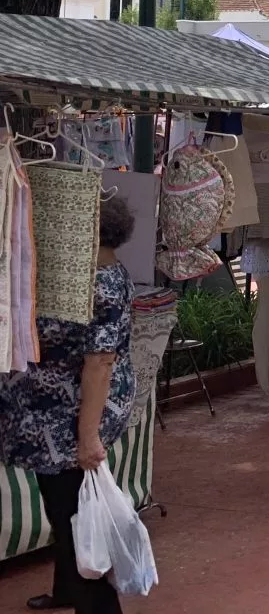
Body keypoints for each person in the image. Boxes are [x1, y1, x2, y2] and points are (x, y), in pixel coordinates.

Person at [1, 196, 137, 614]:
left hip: (68, 418)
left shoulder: (98, 283)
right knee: (70, 509)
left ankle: (95, 604)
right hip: (56, 410)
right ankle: (65, 590)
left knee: (74, 516)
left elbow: (99, 365)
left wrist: (87, 438)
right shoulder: (101, 270)